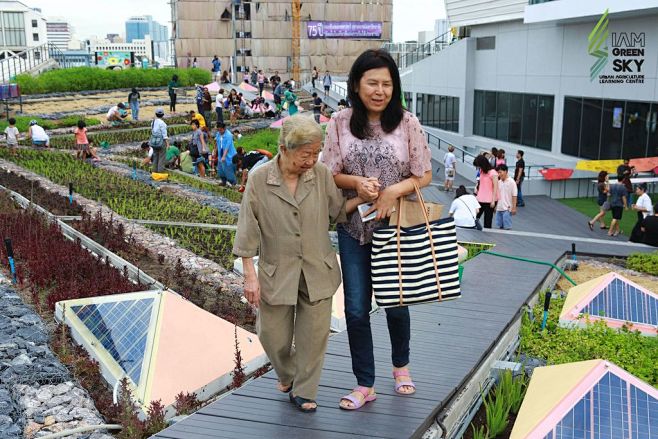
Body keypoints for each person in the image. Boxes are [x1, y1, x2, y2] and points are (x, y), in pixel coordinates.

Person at [321, 49, 432, 410]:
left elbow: (423, 174)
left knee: (397, 302)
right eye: (372, 82)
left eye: (387, 83)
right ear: (356, 84)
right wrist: (357, 183)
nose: (380, 90)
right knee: (355, 308)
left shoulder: (408, 123)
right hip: (353, 227)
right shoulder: (339, 122)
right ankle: (364, 383)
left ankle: (401, 367)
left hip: (395, 226)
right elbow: (329, 174)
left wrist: (391, 192)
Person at [233, 115, 359, 413]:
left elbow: (337, 211)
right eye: (306, 154)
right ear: (284, 149)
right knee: (271, 334)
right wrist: (250, 275)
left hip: (318, 268)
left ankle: (304, 390)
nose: (311, 160)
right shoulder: (260, 179)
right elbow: (247, 227)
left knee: (313, 337)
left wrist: (363, 198)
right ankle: (288, 375)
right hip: (277, 271)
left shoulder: (321, 174)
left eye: (316, 153)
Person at [474, 155, 498, 229]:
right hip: (480, 198)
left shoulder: (493, 173)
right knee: (475, 217)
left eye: (479, 166)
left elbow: (496, 187)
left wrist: (493, 201)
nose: (478, 168)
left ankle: (486, 237)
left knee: (487, 221)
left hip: (490, 200)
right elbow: (480, 183)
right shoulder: (481, 171)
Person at [495, 164, 517, 230]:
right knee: (499, 227)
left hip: (507, 208)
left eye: (500, 172)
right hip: (499, 208)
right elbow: (497, 195)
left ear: (506, 171)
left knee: (507, 228)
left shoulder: (512, 182)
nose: (499, 174)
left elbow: (514, 195)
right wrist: (495, 206)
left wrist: (514, 208)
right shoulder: (499, 182)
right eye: (498, 172)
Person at [150, 108, 169, 173]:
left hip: (154, 142)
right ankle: (160, 172)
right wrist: (167, 144)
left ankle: (154, 171)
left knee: (155, 157)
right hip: (161, 142)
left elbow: (152, 131)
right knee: (161, 157)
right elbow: (164, 134)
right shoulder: (162, 123)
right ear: (163, 115)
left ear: (156, 114)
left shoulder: (153, 122)